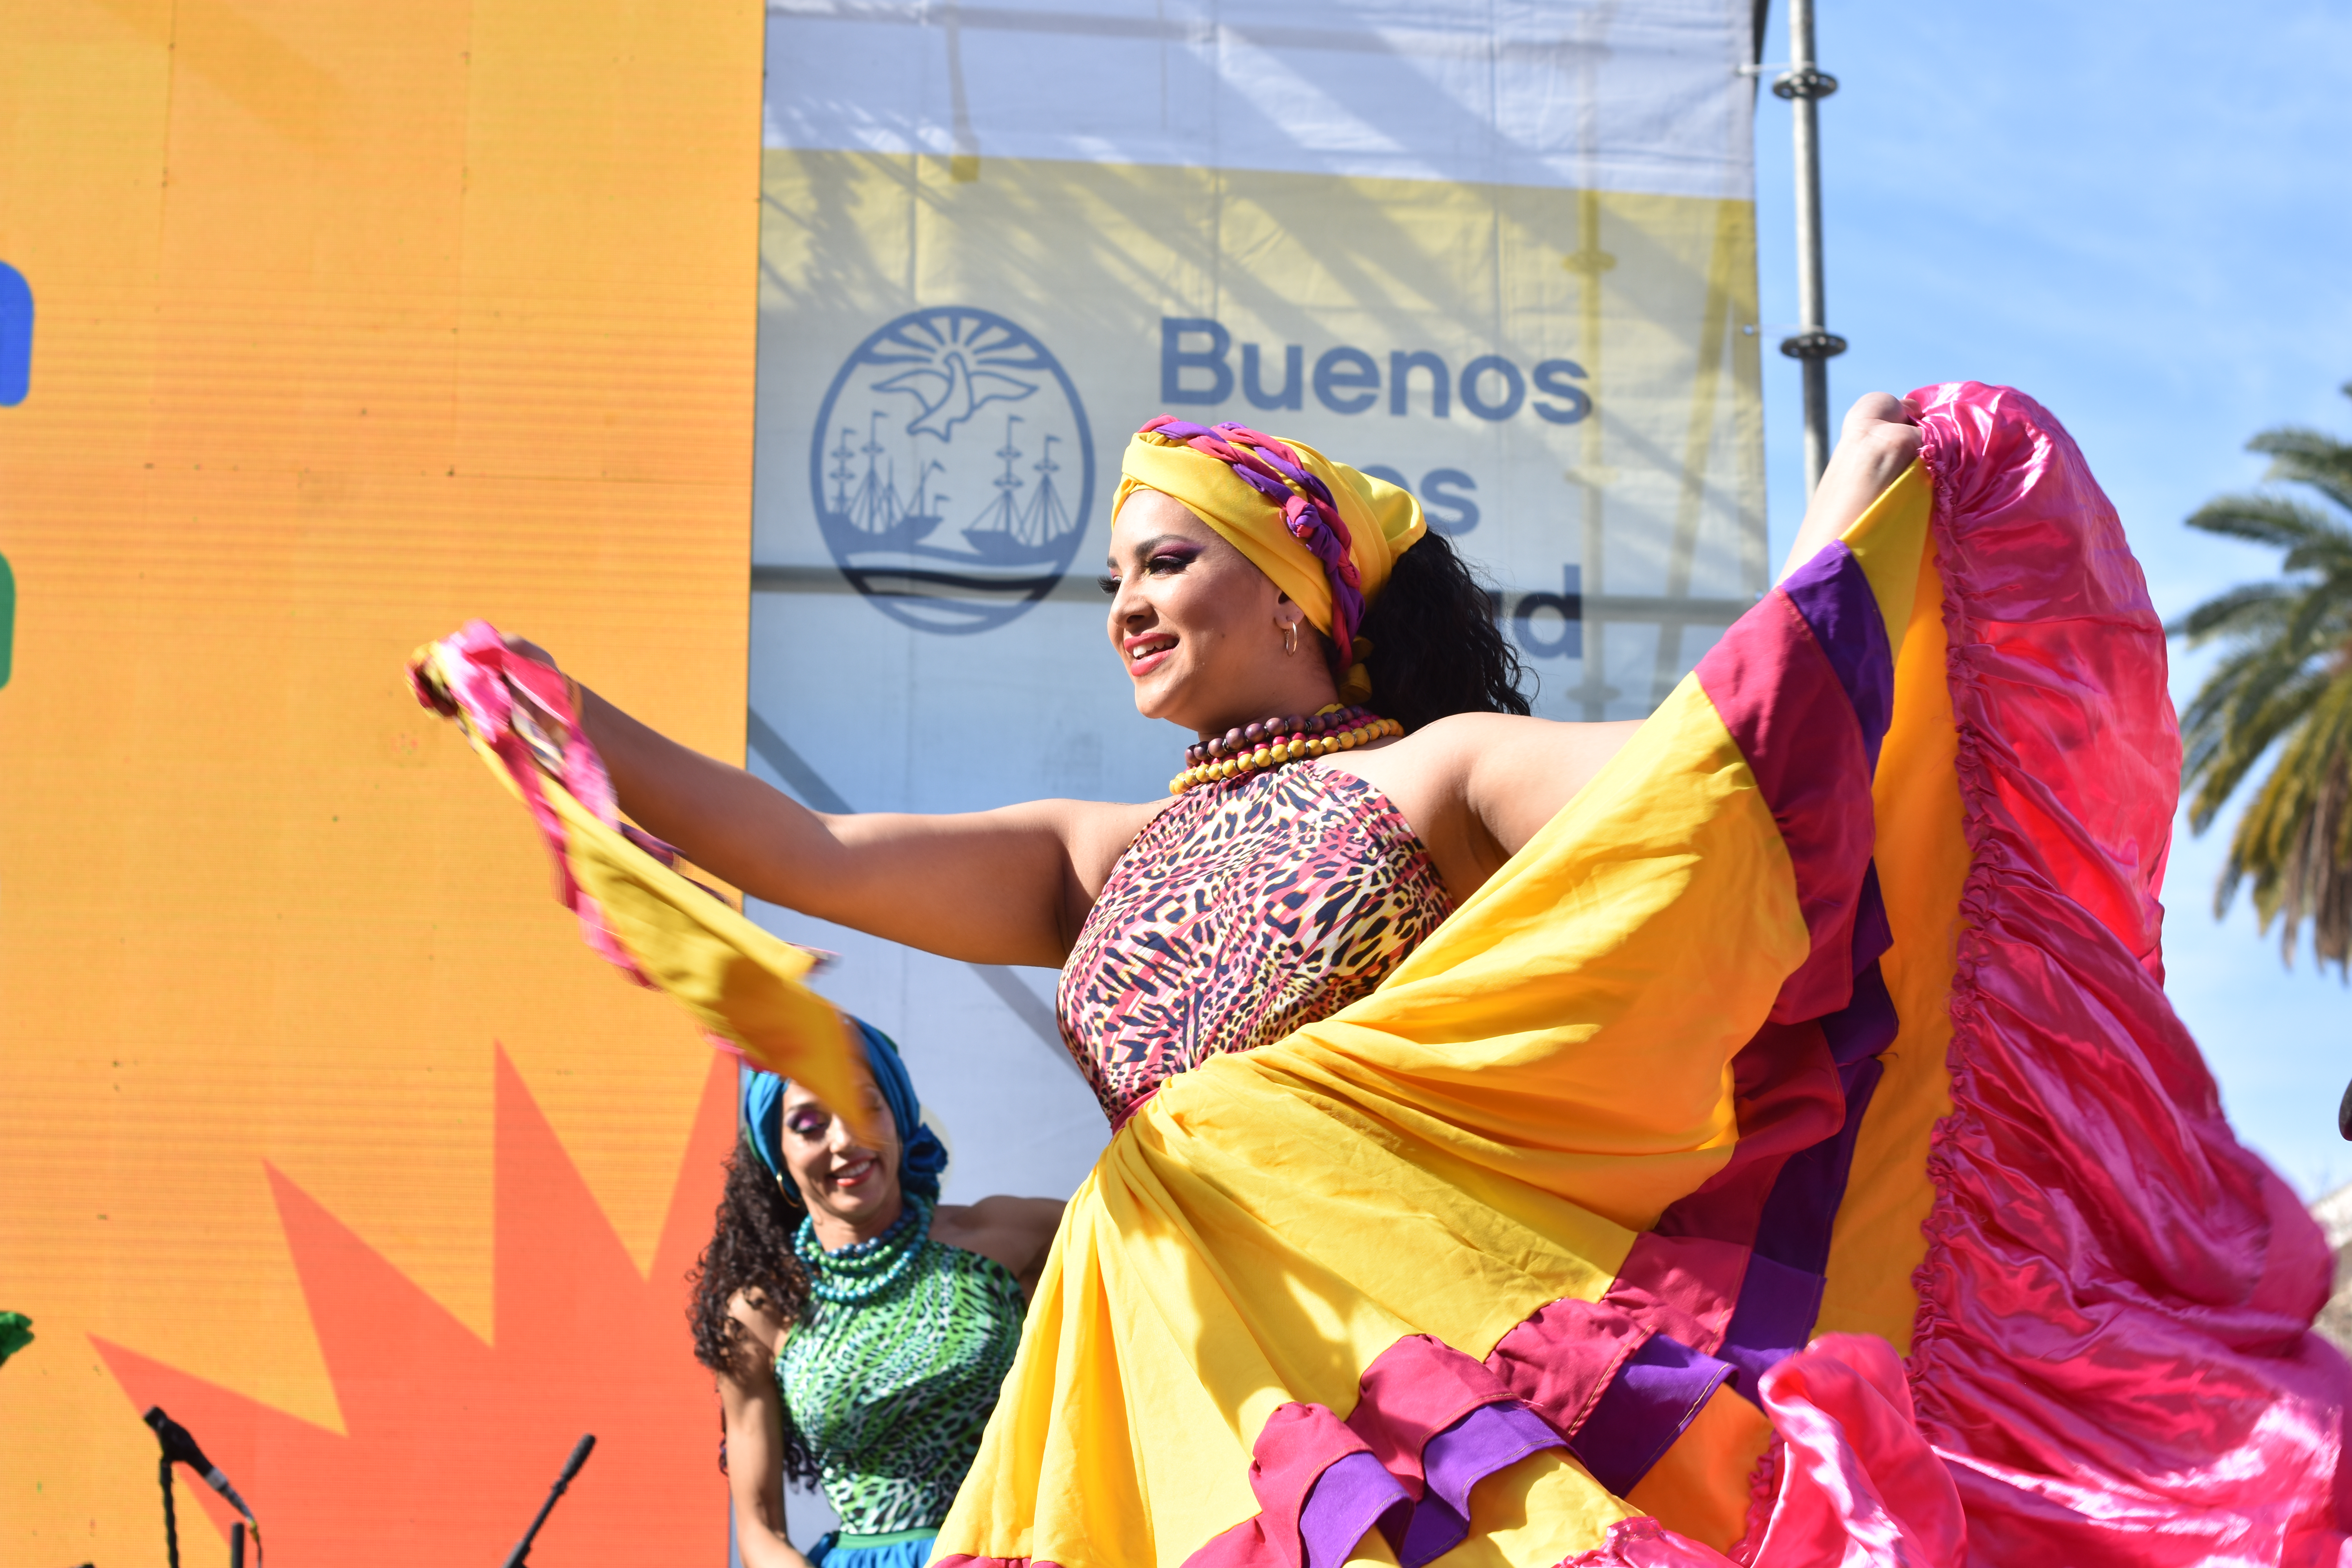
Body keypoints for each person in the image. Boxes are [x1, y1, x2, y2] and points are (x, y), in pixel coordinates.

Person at [471, 387, 2348, 1565]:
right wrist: (572, 722)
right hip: (1164, 1359)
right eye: (1106, 580)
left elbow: (1736, 776)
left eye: (1158, 564)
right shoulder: (1086, 853)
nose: (1120, 604)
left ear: (1294, 589)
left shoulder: (1431, 772)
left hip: (1405, 1322)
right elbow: (798, 850)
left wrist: (1832, 545)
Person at [688, 1019, 1060, 1568]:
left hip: (1017, 1552)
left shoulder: (1012, 1240)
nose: (845, 1140)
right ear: (779, 1159)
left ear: (900, 1122)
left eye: (864, 1108)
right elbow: (761, 1531)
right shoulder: (758, 1312)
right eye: (811, 1125)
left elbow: (1152, 1242)